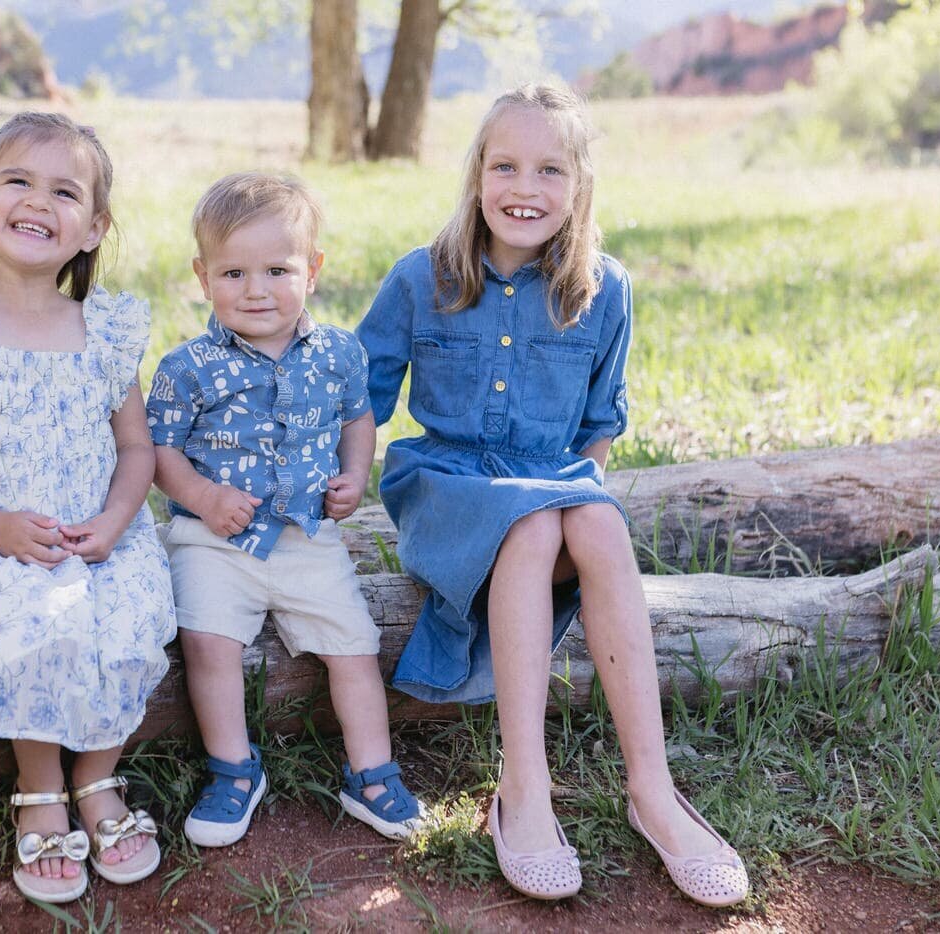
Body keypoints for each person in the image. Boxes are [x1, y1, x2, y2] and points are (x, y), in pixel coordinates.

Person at [356, 84, 749, 907]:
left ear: (580, 186)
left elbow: (600, 426)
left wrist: (575, 504)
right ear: (476, 174)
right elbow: (361, 394)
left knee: (596, 525)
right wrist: (329, 478)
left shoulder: (603, 288)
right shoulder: (420, 278)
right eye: (504, 165)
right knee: (533, 527)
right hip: (449, 484)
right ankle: (522, 790)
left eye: (548, 170)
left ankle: (655, 793)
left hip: (555, 484)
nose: (523, 188)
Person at [0, 112, 176, 906]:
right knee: (35, 620)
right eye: (17, 181)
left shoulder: (106, 329)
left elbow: (136, 450)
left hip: (91, 526)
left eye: (65, 191)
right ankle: (40, 785)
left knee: (131, 615)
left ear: (93, 227)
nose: (38, 202)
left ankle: (98, 780)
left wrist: (116, 522)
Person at [146, 172, 422, 848]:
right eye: (233, 272)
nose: (256, 289)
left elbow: (358, 418)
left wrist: (355, 474)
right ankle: (234, 770)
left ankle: (372, 772)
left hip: (307, 535)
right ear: (203, 275)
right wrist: (205, 498)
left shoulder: (338, 353)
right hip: (214, 541)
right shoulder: (187, 367)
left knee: (354, 647)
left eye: (277, 269)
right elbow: (158, 452)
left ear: (314, 270)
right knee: (209, 645)